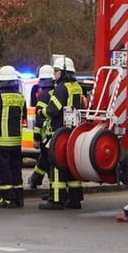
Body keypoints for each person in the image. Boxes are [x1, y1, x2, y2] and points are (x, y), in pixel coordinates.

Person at [39, 56, 86, 210]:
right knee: (71, 165)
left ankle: (56, 199)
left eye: (57, 71)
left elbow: (52, 110)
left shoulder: (61, 88)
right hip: (73, 132)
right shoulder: (77, 87)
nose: (55, 74)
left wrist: (41, 112)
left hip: (58, 133)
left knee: (57, 165)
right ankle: (75, 199)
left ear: (64, 72)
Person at [0, 65, 27, 208]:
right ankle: (18, 198)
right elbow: (24, 116)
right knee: (16, 170)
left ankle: (8, 199)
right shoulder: (21, 97)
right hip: (16, 142)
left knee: (3, 171)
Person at [26, 60, 57, 192]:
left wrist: (37, 138)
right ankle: (35, 179)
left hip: (46, 136)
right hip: (56, 134)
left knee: (47, 161)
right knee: (45, 159)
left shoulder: (43, 95)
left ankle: (50, 189)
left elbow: (40, 120)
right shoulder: (57, 91)